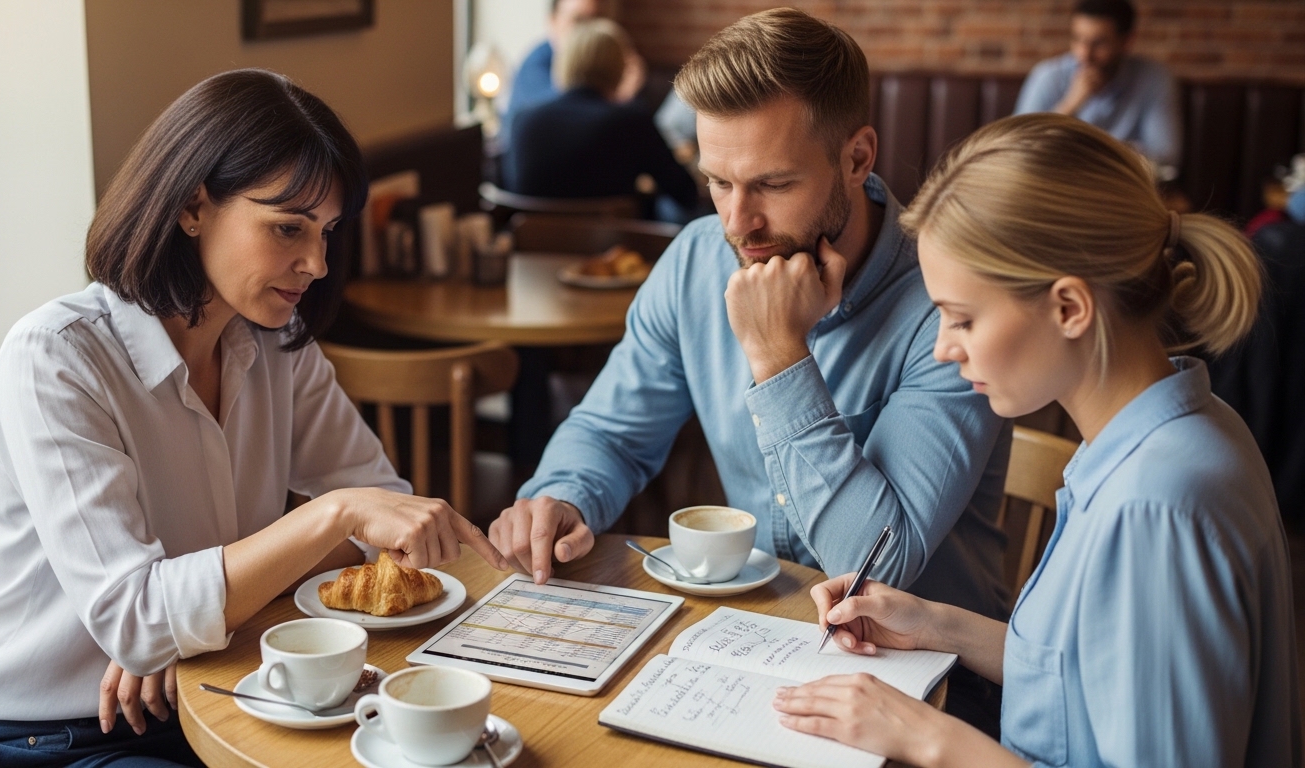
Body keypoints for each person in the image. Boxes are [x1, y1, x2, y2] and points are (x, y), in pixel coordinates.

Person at [0, 69, 508, 768]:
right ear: (191, 207)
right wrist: (329, 517)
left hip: (206, 696)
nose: (317, 263)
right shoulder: (56, 357)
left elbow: (390, 523)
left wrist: (182, 623)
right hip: (26, 738)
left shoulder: (279, 349)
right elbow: (141, 619)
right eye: (287, 227)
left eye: (326, 232)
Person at [490, 8, 1011, 734]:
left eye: (772, 183)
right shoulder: (697, 260)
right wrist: (564, 496)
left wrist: (778, 356)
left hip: (940, 695)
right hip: (761, 654)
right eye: (717, 182)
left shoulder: (949, 306)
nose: (738, 223)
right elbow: (612, 433)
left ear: (857, 158)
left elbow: (873, 572)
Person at [772, 113, 1301, 767]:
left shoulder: (1153, 503)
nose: (943, 349)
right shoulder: (1184, 427)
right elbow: (1092, 675)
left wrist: (925, 737)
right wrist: (935, 624)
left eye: (962, 319)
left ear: (1070, 308)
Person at [501, 19, 697, 213]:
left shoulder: (523, 119)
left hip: (530, 233)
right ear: (619, 68)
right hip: (615, 234)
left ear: (563, 63)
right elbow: (686, 193)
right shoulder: (631, 122)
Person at [1014, 0, 1180, 172]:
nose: (1084, 54)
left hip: (1123, 185)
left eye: (1099, 43)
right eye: (1077, 38)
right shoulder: (1048, 76)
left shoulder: (1153, 78)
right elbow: (1017, 146)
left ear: (1126, 42)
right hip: (1058, 182)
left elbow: (1166, 157)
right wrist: (1071, 104)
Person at [507, 0, 642, 119]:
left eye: (597, 19)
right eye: (578, 20)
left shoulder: (605, 64)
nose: (589, 32)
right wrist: (620, 96)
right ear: (553, 22)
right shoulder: (535, 68)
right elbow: (568, 118)